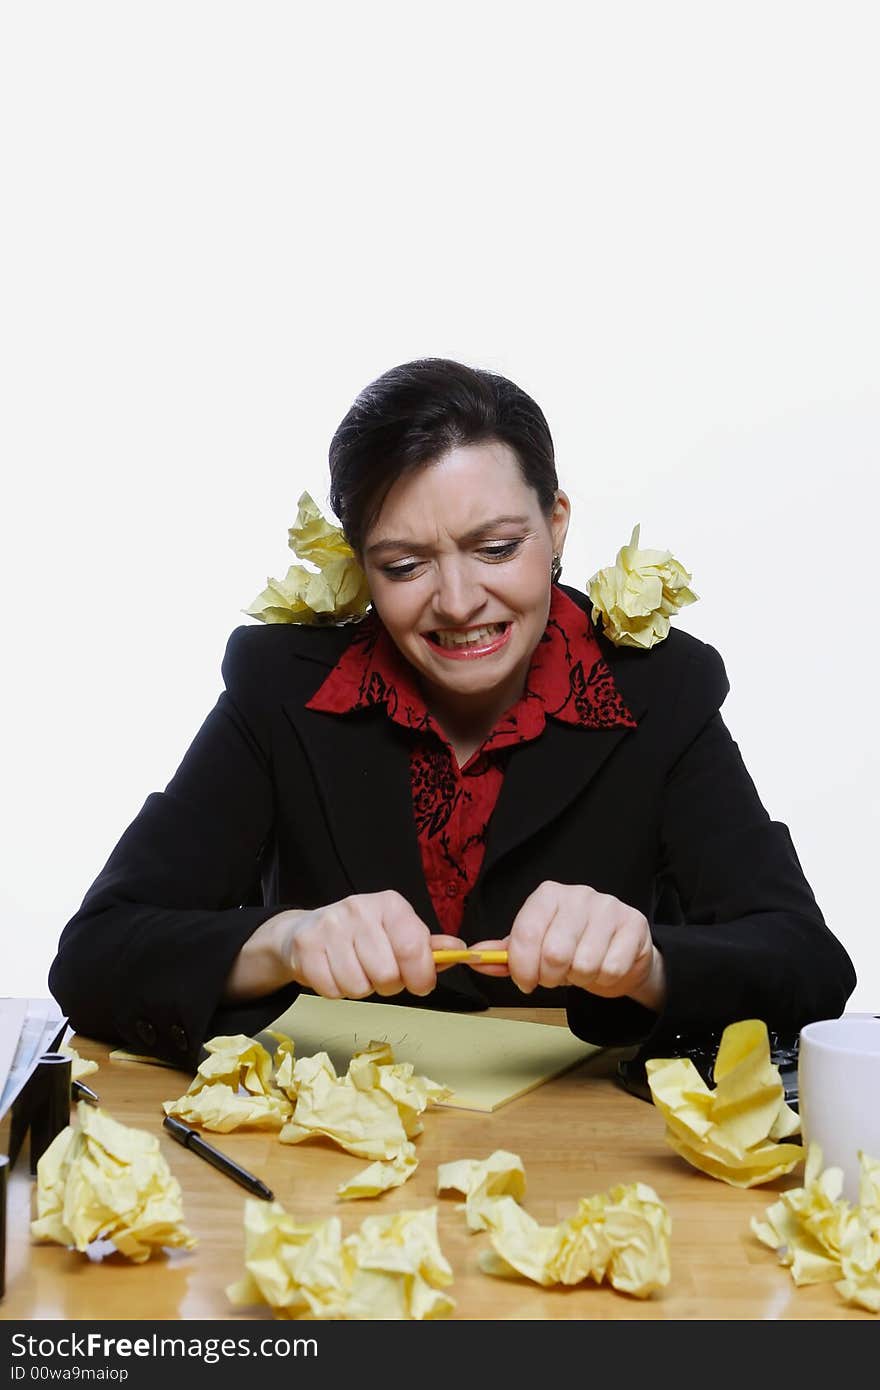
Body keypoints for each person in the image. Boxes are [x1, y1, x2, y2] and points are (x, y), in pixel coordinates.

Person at [49, 358, 856, 1072]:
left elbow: (809, 966)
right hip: (328, 1161)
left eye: (497, 548)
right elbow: (94, 954)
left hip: (585, 1163)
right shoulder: (280, 689)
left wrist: (647, 963)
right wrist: (282, 942)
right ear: (362, 565)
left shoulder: (663, 691)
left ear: (556, 524)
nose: (460, 601)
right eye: (404, 565)